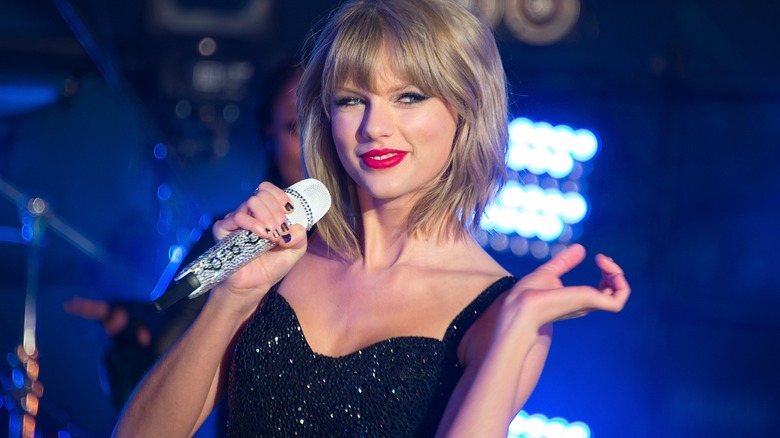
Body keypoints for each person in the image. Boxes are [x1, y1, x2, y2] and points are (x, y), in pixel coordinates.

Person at [114, 0, 630, 436]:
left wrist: (517, 325)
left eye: (408, 97)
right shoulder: (279, 257)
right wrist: (233, 296)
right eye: (351, 100)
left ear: (465, 109)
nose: (374, 126)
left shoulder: (499, 311)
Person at [63, 61, 305, 413]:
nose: (317, 142)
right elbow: (161, 355)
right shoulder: (232, 235)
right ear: (269, 133)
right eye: (297, 127)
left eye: (328, 121)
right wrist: (136, 332)